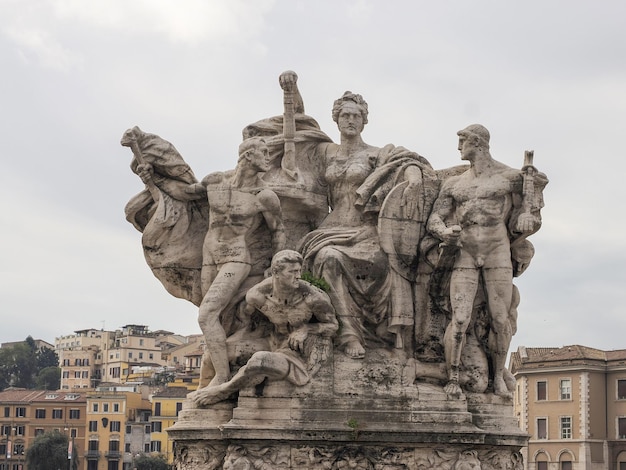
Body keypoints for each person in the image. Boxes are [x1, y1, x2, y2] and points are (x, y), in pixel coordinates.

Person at [297, 90, 436, 359]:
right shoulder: (326, 153)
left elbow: (408, 161)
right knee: (327, 257)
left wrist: (414, 179)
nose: (351, 120)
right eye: (345, 115)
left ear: (364, 121)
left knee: (361, 260)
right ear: (336, 120)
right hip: (329, 230)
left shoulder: (376, 154)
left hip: (367, 231)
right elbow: (296, 129)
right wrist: (291, 92)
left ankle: (365, 335)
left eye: (356, 116)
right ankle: (348, 335)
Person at [426, 124, 547, 397]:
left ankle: (497, 378)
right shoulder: (454, 184)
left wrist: (529, 215)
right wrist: (444, 232)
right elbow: (435, 218)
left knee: (501, 319)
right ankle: (453, 376)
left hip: (497, 252)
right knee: (459, 318)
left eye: (462, 141)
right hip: (465, 253)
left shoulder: (509, 177)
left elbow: (535, 195)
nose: (459, 147)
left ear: (478, 143)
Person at [182, 136, 287, 388]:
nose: (268, 157)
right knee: (219, 319)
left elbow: (279, 230)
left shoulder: (264, 196)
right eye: (263, 152)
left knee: (206, 315)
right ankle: (211, 374)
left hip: (237, 259)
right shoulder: (216, 181)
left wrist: (275, 268)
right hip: (210, 258)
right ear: (247, 155)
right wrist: (150, 177)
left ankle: (221, 377)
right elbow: (185, 193)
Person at [188, 250, 338, 407]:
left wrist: (306, 329)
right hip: (271, 341)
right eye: (292, 272)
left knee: (260, 360)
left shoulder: (313, 298)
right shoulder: (256, 296)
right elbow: (248, 323)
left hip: (296, 351)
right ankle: (201, 392)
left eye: (299, 271)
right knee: (216, 354)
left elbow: (333, 326)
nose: (298, 276)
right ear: (276, 273)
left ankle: (223, 391)